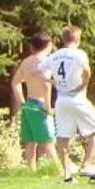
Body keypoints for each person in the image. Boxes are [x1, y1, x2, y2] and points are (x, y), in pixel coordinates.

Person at [43, 26, 95, 181]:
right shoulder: (79, 54)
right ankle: (87, 164)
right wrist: (83, 83)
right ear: (78, 39)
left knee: (63, 137)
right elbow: (87, 70)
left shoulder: (55, 55)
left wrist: (54, 81)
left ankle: (67, 176)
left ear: (63, 39)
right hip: (77, 97)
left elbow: (37, 72)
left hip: (61, 100)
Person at [10, 33, 60, 175]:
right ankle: (61, 171)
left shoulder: (26, 61)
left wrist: (22, 102)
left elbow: (15, 82)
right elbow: (45, 85)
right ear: (49, 45)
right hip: (40, 104)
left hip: (29, 104)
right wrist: (48, 107)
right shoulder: (45, 61)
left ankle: (31, 172)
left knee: (30, 141)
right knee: (48, 141)